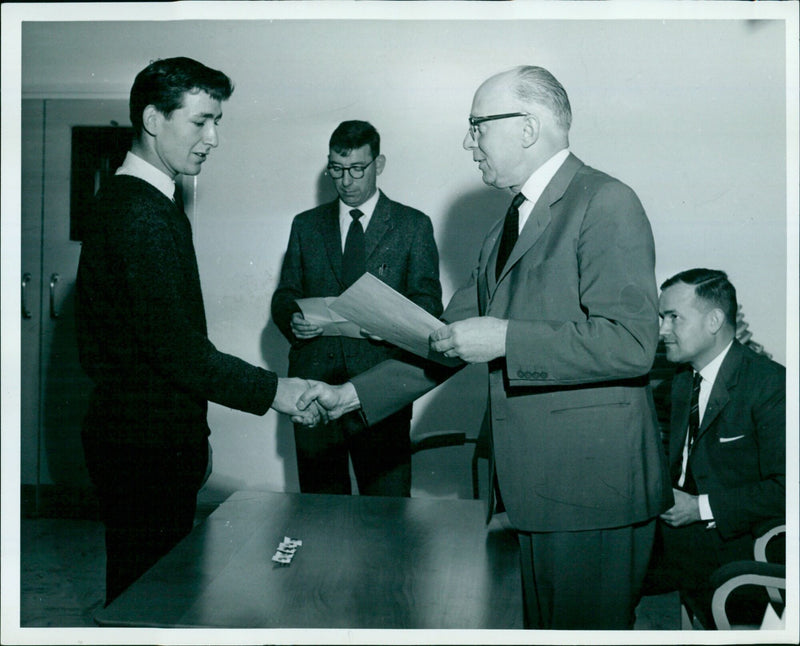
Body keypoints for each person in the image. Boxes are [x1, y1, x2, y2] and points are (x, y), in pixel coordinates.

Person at [300, 65, 672, 629]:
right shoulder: (507, 225)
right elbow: (443, 341)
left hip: (592, 493)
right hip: (532, 493)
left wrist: (505, 337)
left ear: (527, 127)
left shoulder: (605, 201)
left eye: (477, 125)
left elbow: (632, 343)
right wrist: (353, 395)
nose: (468, 142)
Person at [76, 57, 318, 606]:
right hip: (144, 446)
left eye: (219, 122)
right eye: (202, 121)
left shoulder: (144, 201)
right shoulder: (141, 214)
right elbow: (179, 351)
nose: (214, 138)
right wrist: (278, 391)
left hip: (145, 439)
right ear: (154, 119)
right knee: (149, 600)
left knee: (150, 591)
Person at [271, 120, 442, 496]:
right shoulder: (306, 225)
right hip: (314, 387)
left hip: (380, 388)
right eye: (336, 169)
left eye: (356, 170)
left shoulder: (413, 226)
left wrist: (391, 325)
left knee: (387, 511)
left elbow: (429, 302)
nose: (346, 181)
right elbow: (285, 294)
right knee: (319, 512)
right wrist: (293, 319)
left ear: (378, 164)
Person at [642, 268, 785, 626]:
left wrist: (699, 507)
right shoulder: (680, 383)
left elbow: (787, 489)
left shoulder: (771, 384)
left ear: (714, 320)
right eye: (662, 318)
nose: (662, 330)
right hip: (683, 540)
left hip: (738, 550)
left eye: (673, 317)